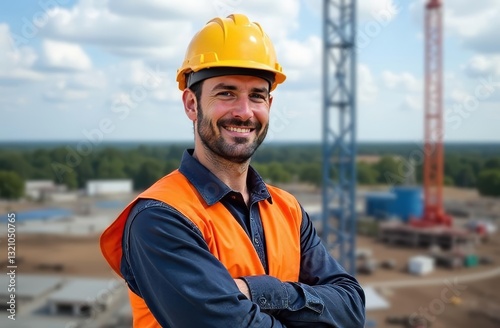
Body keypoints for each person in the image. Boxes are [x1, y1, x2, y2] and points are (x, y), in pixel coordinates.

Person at [100, 13, 365, 327]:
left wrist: (263, 292)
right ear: (191, 104)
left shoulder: (287, 210)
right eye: (226, 93)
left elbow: (351, 308)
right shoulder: (160, 217)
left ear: (269, 105)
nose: (244, 112)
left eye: (257, 95)